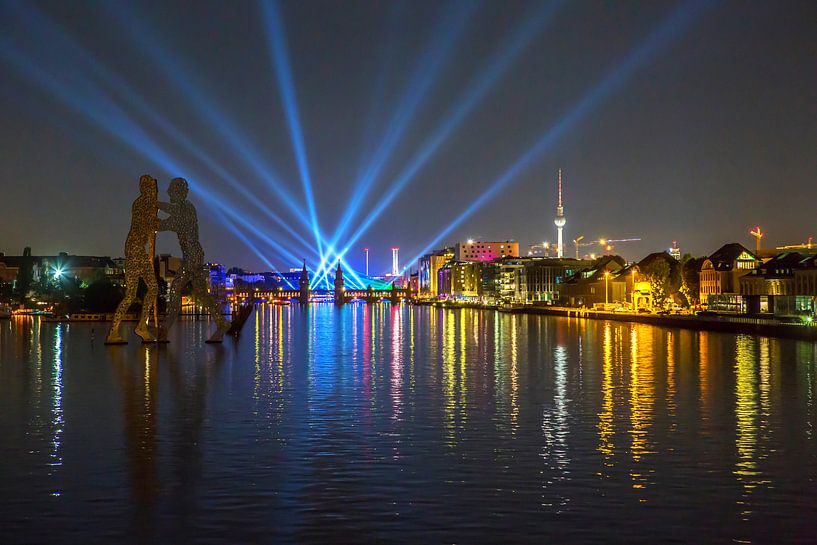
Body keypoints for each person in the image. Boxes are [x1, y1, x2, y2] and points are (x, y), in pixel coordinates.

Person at [158, 177, 230, 343]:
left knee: (175, 289)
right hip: (195, 255)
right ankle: (221, 323)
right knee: (203, 295)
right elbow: (169, 212)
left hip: (192, 256)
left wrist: (152, 206)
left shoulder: (186, 210)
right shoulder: (184, 209)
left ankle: (164, 329)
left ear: (179, 193)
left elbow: (165, 223)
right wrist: (154, 205)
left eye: (172, 190)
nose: (168, 192)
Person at [106, 175, 159, 344]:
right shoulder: (144, 204)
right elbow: (148, 226)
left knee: (131, 294)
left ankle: (114, 331)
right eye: (150, 189)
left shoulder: (142, 204)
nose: (152, 192)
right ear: (146, 189)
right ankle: (141, 326)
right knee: (152, 289)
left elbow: (149, 229)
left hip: (134, 252)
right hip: (136, 253)